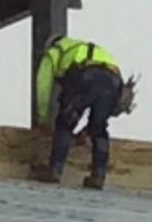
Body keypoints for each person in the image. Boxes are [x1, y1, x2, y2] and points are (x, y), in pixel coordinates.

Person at [34, 35, 137, 190]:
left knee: (66, 122)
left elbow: (43, 86)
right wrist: (86, 132)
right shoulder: (89, 49)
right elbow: (108, 101)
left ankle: (54, 170)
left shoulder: (53, 52)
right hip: (114, 80)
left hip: (87, 75)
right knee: (99, 128)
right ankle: (98, 176)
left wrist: (42, 118)